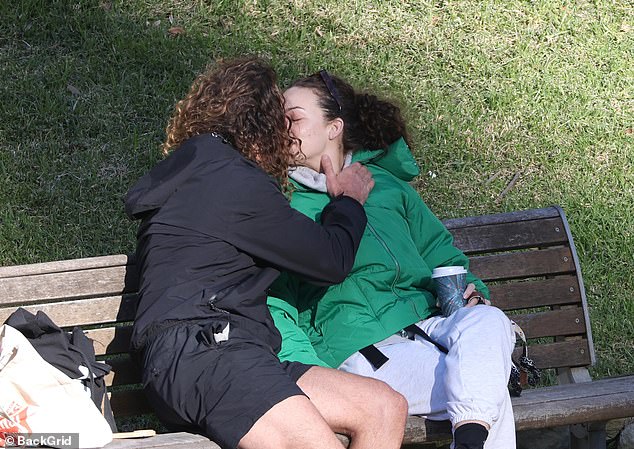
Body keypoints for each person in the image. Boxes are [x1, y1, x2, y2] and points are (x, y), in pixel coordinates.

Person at [124, 57, 407, 449]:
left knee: (383, 407)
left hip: (230, 351)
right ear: (261, 126)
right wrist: (347, 203)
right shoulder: (232, 182)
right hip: (202, 354)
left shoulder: (206, 169)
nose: (287, 138)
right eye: (282, 124)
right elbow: (329, 260)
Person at [267, 70, 517, 449]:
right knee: (487, 389)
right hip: (362, 354)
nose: (282, 128)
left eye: (294, 117)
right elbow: (274, 299)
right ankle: (469, 439)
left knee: (489, 319)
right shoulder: (282, 204)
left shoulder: (386, 186)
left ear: (334, 127)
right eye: (278, 119)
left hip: (430, 330)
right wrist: (310, 371)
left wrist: (473, 293)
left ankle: (469, 438)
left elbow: (441, 254)